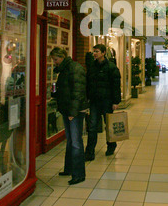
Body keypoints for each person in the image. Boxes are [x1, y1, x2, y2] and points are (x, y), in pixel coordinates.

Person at [50, 47, 88, 185]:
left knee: (76, 142)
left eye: (55, 59)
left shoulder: (74, 68)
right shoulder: (65, 69)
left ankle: (79, 174)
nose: (54, 62)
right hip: (68, 109)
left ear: (62, 57)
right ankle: (69, 168)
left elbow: (78, 91)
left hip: (75, 111)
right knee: (71, 140)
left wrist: (73, 112)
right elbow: (66, 90)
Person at [85, 43, 121, 161]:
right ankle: (89, 151)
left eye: (97, 51)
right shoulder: (91, 67)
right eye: (93, 51)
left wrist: (116, 101)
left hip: (107, 101)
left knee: (109, 125)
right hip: (94, 101)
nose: (94, 54)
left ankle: (111, 145)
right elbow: (88, 84)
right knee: (92, 126)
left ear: (103, 53)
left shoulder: (111, 67)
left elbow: (116, 85)